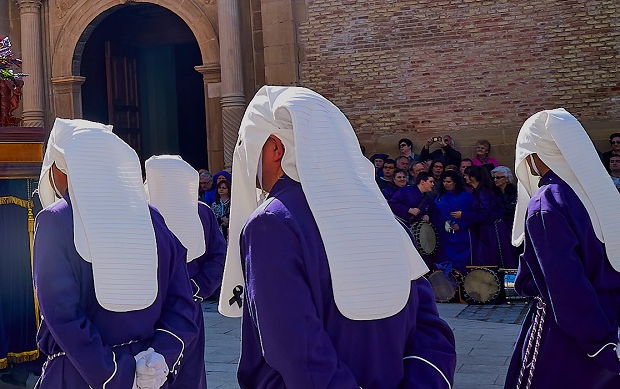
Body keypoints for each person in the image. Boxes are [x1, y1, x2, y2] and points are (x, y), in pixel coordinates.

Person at [220, 86, 456, 389]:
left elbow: (296, 349)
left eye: (247, 145)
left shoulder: (272, 223)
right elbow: (430, 332)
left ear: (276, 148)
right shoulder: (385, 217)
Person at [33, 120, 196, 389]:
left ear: (63, 168)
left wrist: (113, 374)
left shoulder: (55, 220)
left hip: (79, 376)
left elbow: (62, 314)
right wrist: (159, 359)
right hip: (149, 376)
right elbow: (182, 304)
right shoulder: (152, 218)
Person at [505, 108, 620, 388]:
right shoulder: (597, 193)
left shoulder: (548, 202)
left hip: (569, 328)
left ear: (532, 154)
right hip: (610, 318)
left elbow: (566, 285)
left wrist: (600, 343)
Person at [145, 155, 226, 389]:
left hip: (189, 306)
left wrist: (196, 288)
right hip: (150, 307)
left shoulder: (202, 213)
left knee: (189, 372)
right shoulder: (139, 213)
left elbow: (218, 255)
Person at [433, 171, 473, 272]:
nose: (446, 184)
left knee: (461, 263)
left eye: (449, 181)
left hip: (460, 235)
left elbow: (474, 214)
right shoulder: (440, 196)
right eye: (444, 181)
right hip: (442, 235)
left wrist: (462, 224)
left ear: (455, 182)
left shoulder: (466, 196)